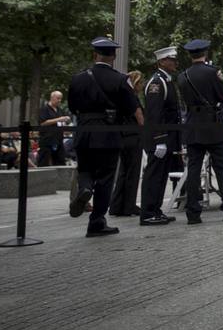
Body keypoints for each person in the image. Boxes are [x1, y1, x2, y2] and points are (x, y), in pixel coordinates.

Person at [66, 37, 142, 236]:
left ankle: (85, 187)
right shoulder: (119, 79)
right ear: (113, 56)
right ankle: (97, 221)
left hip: (84, 132)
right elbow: (134, 109)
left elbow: (72, 107)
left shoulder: (78, 78)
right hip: (108, 134)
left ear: (94, 55)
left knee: (85, 169)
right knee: (106, 178)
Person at [177, 39, 223, 223]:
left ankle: (193, 212)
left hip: (193, 126)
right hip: (212, 125)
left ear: (190, 55)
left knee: (194, 169)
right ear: (205, 53)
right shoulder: (212, 73)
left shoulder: (182, 76)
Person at [139, 47, 182, 225]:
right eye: (171, 60)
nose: (174, 63)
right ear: (162, 62)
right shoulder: (157, 83)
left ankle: (155, 210)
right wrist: (160, 140)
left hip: (167, 138)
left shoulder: (166, 80)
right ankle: (148, 213)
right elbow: (154, 114)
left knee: (161, 175)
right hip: (160, 138)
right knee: (154, 175)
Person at [108, 70, 145, 216]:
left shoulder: (121, 96)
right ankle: (129, 205)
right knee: (133, 172)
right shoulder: (131, 96)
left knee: (123, 172)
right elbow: (139, 116)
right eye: (140, 82)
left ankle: (117, 205)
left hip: (124, 136)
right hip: (133, 136)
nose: (142, 85)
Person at [36, 90, 69, 167]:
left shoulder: (59, 110)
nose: (59, 100)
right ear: (52, 97)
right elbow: (43, 123)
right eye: (58, 98)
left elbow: (61, 123)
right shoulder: (44, 109)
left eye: (61, 99)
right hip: (47, 140)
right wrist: (59, 119)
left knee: (60, 162)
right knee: (44, 162)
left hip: (58, 140)